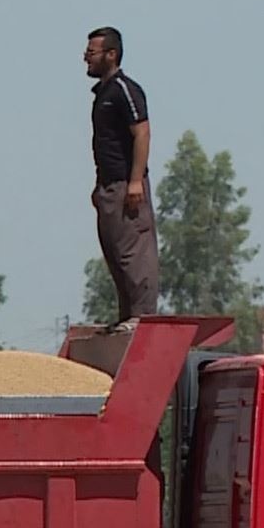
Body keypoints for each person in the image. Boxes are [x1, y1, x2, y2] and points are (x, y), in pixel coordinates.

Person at [85, 25, 159, 329]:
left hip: (127, 187)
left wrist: (135, 180)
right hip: (108, 186)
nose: (85, 58)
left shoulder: (125, 90)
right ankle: (127, 316)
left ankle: (142, 319)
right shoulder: (102, 94)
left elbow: (142, 132)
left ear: (111, 54)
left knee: (135, 255)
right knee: (115, 253)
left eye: (91, 53)